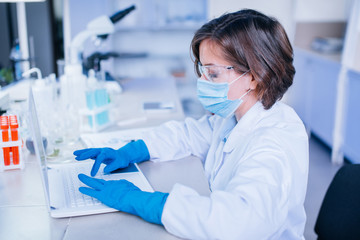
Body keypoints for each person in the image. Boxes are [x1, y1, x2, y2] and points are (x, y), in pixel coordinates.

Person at [74, 9, 309, 240]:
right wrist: (132, 151)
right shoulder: (234, 117)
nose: (202, 81)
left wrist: (144, 202)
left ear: (254, 76)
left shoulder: (274, 144)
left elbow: (235, 222)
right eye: (202, 70)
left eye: (213, 74)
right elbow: (189, 135)